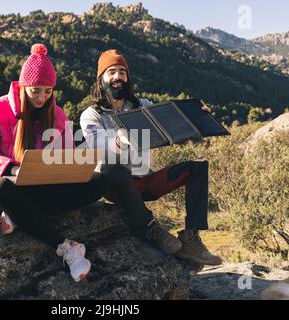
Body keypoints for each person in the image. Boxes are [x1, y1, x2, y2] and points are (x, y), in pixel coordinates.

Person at [0, 44, 183, 282]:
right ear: (23, 86)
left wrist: (70, 168)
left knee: (99, 182)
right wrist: (11, 168)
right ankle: (67, 248)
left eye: (48, 92)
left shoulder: (57, 115)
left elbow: (67, 156)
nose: (41, 98)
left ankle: (20, 214)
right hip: (10, 182)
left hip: (44, 187)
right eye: (36, 91)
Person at [79, 49, 222, 266]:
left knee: (197, 168)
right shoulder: (92, 114)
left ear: (128, 78)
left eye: (122, 72)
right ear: (101, 79)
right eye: (111, 72)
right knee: (111, 168)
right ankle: (149, 227)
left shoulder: (142, 106)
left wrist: (197, 115)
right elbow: (97, 147)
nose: (118, 77)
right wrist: (118, 141)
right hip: (114, 187)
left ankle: (191, 238)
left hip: (145, 181)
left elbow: (170, 121)